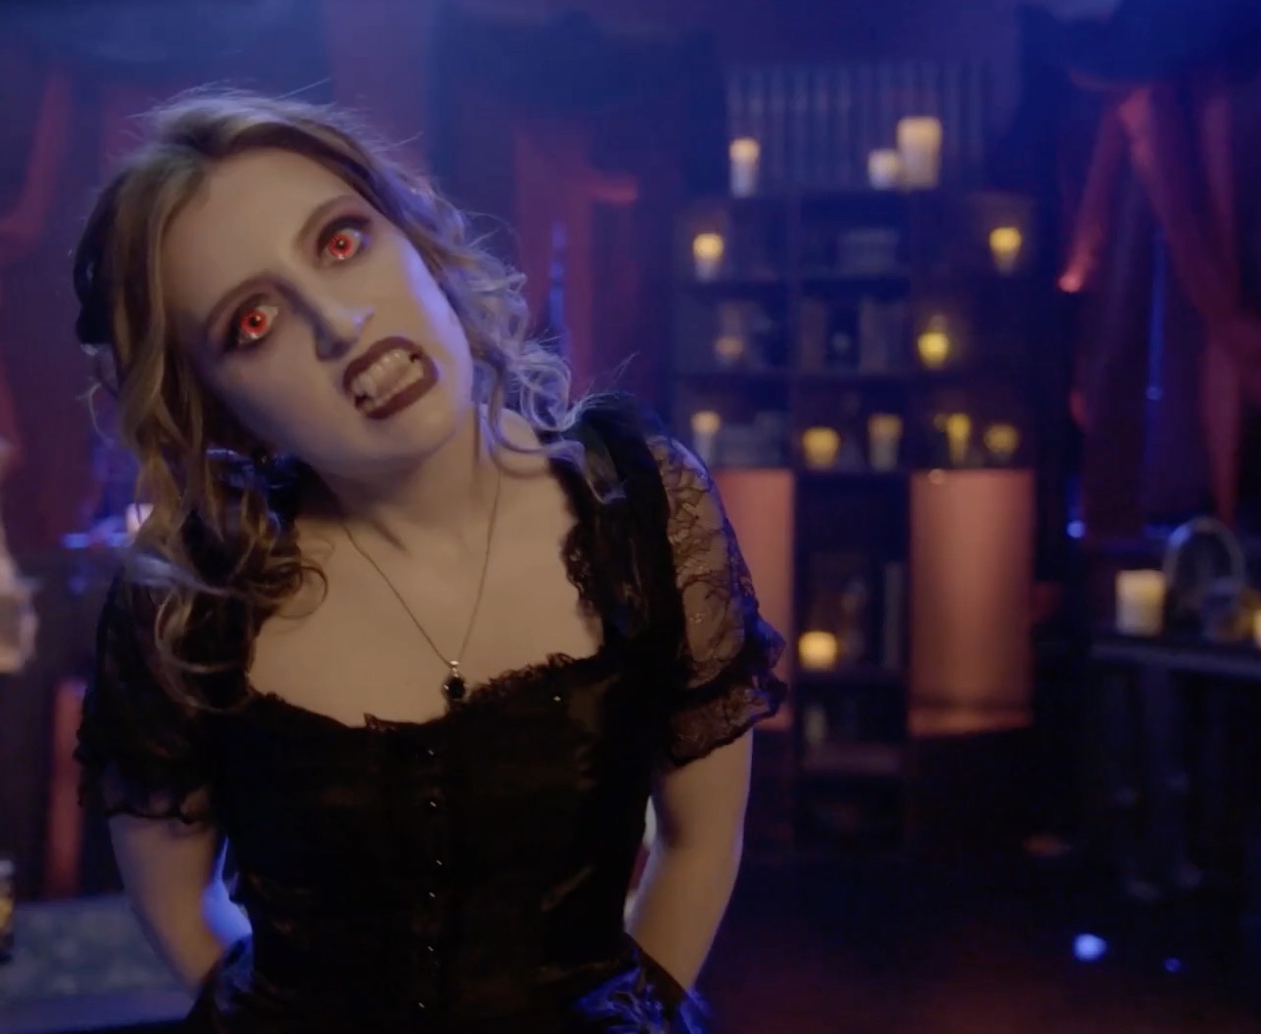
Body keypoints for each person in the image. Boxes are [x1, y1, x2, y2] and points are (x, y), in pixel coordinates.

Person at [71, 89, 786, 1032]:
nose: (340, 323)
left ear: (414, 238)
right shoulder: (188, 599)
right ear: (219, 405)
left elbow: (701, 843)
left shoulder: (641, 507)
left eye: (341, 242)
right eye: (253, 322)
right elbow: (173, 906)